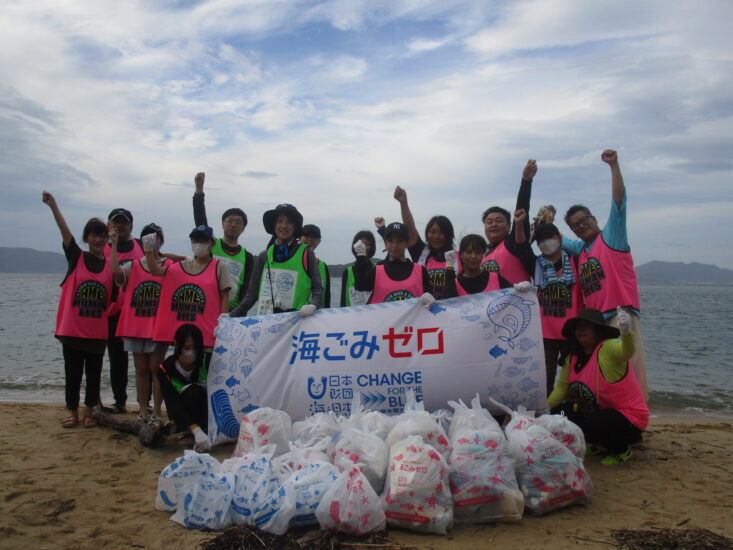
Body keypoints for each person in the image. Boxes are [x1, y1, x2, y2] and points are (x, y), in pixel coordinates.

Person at [562, 149, 647, 398]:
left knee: (629, 368)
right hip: (597, 322)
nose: (582, 226)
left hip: (620, 315)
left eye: (584, 220)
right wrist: (542, 221)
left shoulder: (611, 236)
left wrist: (614, 166)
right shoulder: (582, 249)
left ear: (593, 218)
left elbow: (619, 202)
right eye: (576, 225)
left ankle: (637, 415)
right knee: (605, 372)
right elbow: (557, 240)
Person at [42, 191, 112, 429]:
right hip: (72, 330)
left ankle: (89, 412)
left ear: (106, 240)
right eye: (94, 235)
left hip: (96, 333)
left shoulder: (109, 266)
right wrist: (54, 206)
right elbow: (65, 232)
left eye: (102, 236)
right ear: (87, 237)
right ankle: (73, 412)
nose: (98, 240)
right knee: (73, 375)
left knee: (93, 376)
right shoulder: (76, 257)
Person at [547, 308, 648, 465]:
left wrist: (626, 333)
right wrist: (543, 411)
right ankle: (600, 443)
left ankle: (621, 449)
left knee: (594, 422)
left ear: (598, 330)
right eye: (578, 326)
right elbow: (561, 388)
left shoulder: (608, 348)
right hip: (594, 413)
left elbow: (626, 352)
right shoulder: (572, 356)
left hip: (627, 419)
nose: (581, 330)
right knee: (557, 415)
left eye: (587, 326)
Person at [110, 223, 172, 423]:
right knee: (140, 369)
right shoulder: (134, 265)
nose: (151, 241)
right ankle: (143, 409)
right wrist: (113, 245)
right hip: (136, 325)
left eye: (155, 238)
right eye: (146, 238)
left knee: (156, 368)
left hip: (158, 326)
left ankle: (157, 411)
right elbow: (116, 274)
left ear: (161, 241)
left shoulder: (168, 266)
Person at [230, 204, 322, 317]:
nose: (284, 226)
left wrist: (314, 305)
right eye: (279, 221)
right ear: (274, 225)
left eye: (289, 222)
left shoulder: (307, 253)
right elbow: (252, 295)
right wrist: (230, 316)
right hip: (265, 322)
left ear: (295, 227)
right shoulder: (264, 256)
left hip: (295, 324)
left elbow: (317, 288)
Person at [150, 225, 232, 351]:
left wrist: (224, 320)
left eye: (203, 240)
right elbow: (155, 271)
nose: (199, 244)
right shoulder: (180, 266)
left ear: (212, 243)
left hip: (207, 331)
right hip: (183, 332)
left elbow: (225, 295)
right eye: (195, 240)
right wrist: (148, 251)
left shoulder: (219, 266)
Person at [532, 222, 583, 395]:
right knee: (545, 378)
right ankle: (546, 414)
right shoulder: (536, 264)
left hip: (571, 331)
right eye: (540, 240)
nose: (546, 243)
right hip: (545, 332)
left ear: (558, 238)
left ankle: (571, 413)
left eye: (550, 238)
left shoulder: (575, 259)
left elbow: (590, 247)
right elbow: (520, 249)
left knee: (574, 376)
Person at [192, 172, 254, 311]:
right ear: (222, 224)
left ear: (243, 229)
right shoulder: (211, 244)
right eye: (229, 221)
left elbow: (246, 290)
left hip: (231, 312)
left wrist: (239, 313)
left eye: (238, 222)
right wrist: (199, 190)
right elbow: (200, 220)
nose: (233, 225)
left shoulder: (247, 257)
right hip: (205, 305)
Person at [103, 208, 144, 414]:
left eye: (123, 222)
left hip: (133, 312)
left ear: (131, 226)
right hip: (106, 312)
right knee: (115, 359)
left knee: (140, 359)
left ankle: (143, 403)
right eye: (115, 222)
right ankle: (119, 402)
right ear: (108, 224)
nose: (119, 225)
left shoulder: (140, 246)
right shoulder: (100, 246)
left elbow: (160, 259)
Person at [391, 187, 456, 300]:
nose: (436, 236)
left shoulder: (460, 257)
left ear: (449, 235)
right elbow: (410, 229)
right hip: (425, 313)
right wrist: (403, 203)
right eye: (432, 232)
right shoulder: (421, 253)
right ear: (427, 233)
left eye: (441, 233)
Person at [481, 159, 537, 283]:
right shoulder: (480, 255)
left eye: (499, 220)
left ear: (509, 225)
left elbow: (521, 213)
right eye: (489, 222)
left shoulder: (513, 244)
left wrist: (526, 181)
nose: (494, 224)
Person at [157, 324, 211, 452]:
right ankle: (193, 432)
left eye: (195, 348)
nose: (191, 353)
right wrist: (195, 430)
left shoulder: (207, 362)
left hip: (205, 413)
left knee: (199, 391)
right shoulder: (165, 369)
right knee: (193, 391)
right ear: (176, 344)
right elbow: (172, 404)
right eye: (187, 348)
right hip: (181, 415)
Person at [352, 222, 431, 303]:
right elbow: (360, 286)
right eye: (390, 241)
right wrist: (360, 257)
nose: (394, 245)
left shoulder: (420, 271)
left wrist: (431, 301)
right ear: (385, 243)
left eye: (400, 241)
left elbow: (430, 302)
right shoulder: (377, 271)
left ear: (406, 243)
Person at [341, 230, 377, 307]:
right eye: (361, 244)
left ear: (372, 246)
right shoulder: (347, 272)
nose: (364, 247)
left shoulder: (377, 269)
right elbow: (343, 299)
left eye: (367, 244)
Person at [300, 224, 330, 308]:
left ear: (319, 241)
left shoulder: (323, 266)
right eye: (307, 235)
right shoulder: (290, 260)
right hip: (294, 316)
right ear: (299, 237)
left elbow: (327, 297)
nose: (310, 239)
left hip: (317, 318)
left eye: (315, 237)